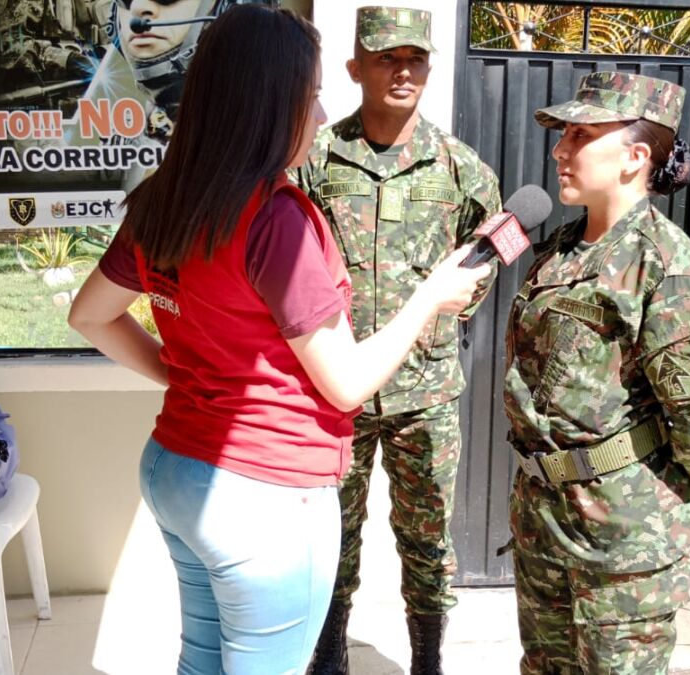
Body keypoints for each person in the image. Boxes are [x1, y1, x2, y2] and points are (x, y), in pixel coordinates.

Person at [67, 6, 491, 675]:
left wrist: (192, 378)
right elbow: (347, 382)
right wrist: (429, 297)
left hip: (177, 469)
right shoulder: (276, 218)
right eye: (311, 96)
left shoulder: (164, 199)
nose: (320, 117)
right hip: (264, 496)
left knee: (203, 662)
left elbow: (90, 316)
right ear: (268, 104)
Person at [503, 71, 690, 674]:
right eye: (563, 135)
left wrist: (652, 496)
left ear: (636, 157)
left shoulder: (667, 267)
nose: (560, 149)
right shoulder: (561, 249)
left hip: (623, 539)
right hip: (544, 517)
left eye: (581, 135)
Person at [292, 7, 501, 674]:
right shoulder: (319, 160)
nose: (403, 69)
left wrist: (451, 314)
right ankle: (329, 655)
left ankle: (428, 659)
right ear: (355, 68)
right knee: (331, 536)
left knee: (428, 538)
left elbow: (490, 249)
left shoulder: (461, 168)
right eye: (386, 56)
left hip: (426, 393)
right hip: (336, 390)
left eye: (415, 57)